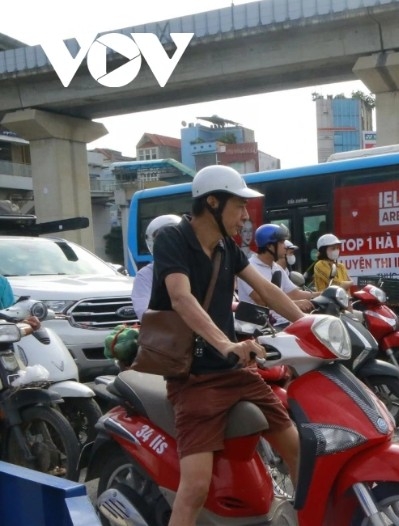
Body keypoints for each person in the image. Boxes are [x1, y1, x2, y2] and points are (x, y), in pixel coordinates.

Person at [150, 164, 305, 525]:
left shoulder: (227, 248)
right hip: (195, 378)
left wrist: (310, 324)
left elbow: (267, 290)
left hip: (236, 372)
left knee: (296, 448)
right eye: (239, 207)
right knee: (195, 488)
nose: (245, 217)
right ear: (214, 203)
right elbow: (181, 298)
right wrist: (226, 344)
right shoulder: (174, 240)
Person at [236, 223, 315, 323]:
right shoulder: (250, 268)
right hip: (260, 328)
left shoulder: (276, 267)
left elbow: (294, 293)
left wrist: (321, 295)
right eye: (281, 242)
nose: (285, 246)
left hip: (281, 323)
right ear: (269, 246)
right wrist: (295, 304)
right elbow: (262, 301)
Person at [131, 214, 182, 321]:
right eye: (164, 240)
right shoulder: (146, 275)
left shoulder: (199, 265)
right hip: (170, 334)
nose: (171, 244)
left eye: (177, 238)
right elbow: (144, 313)